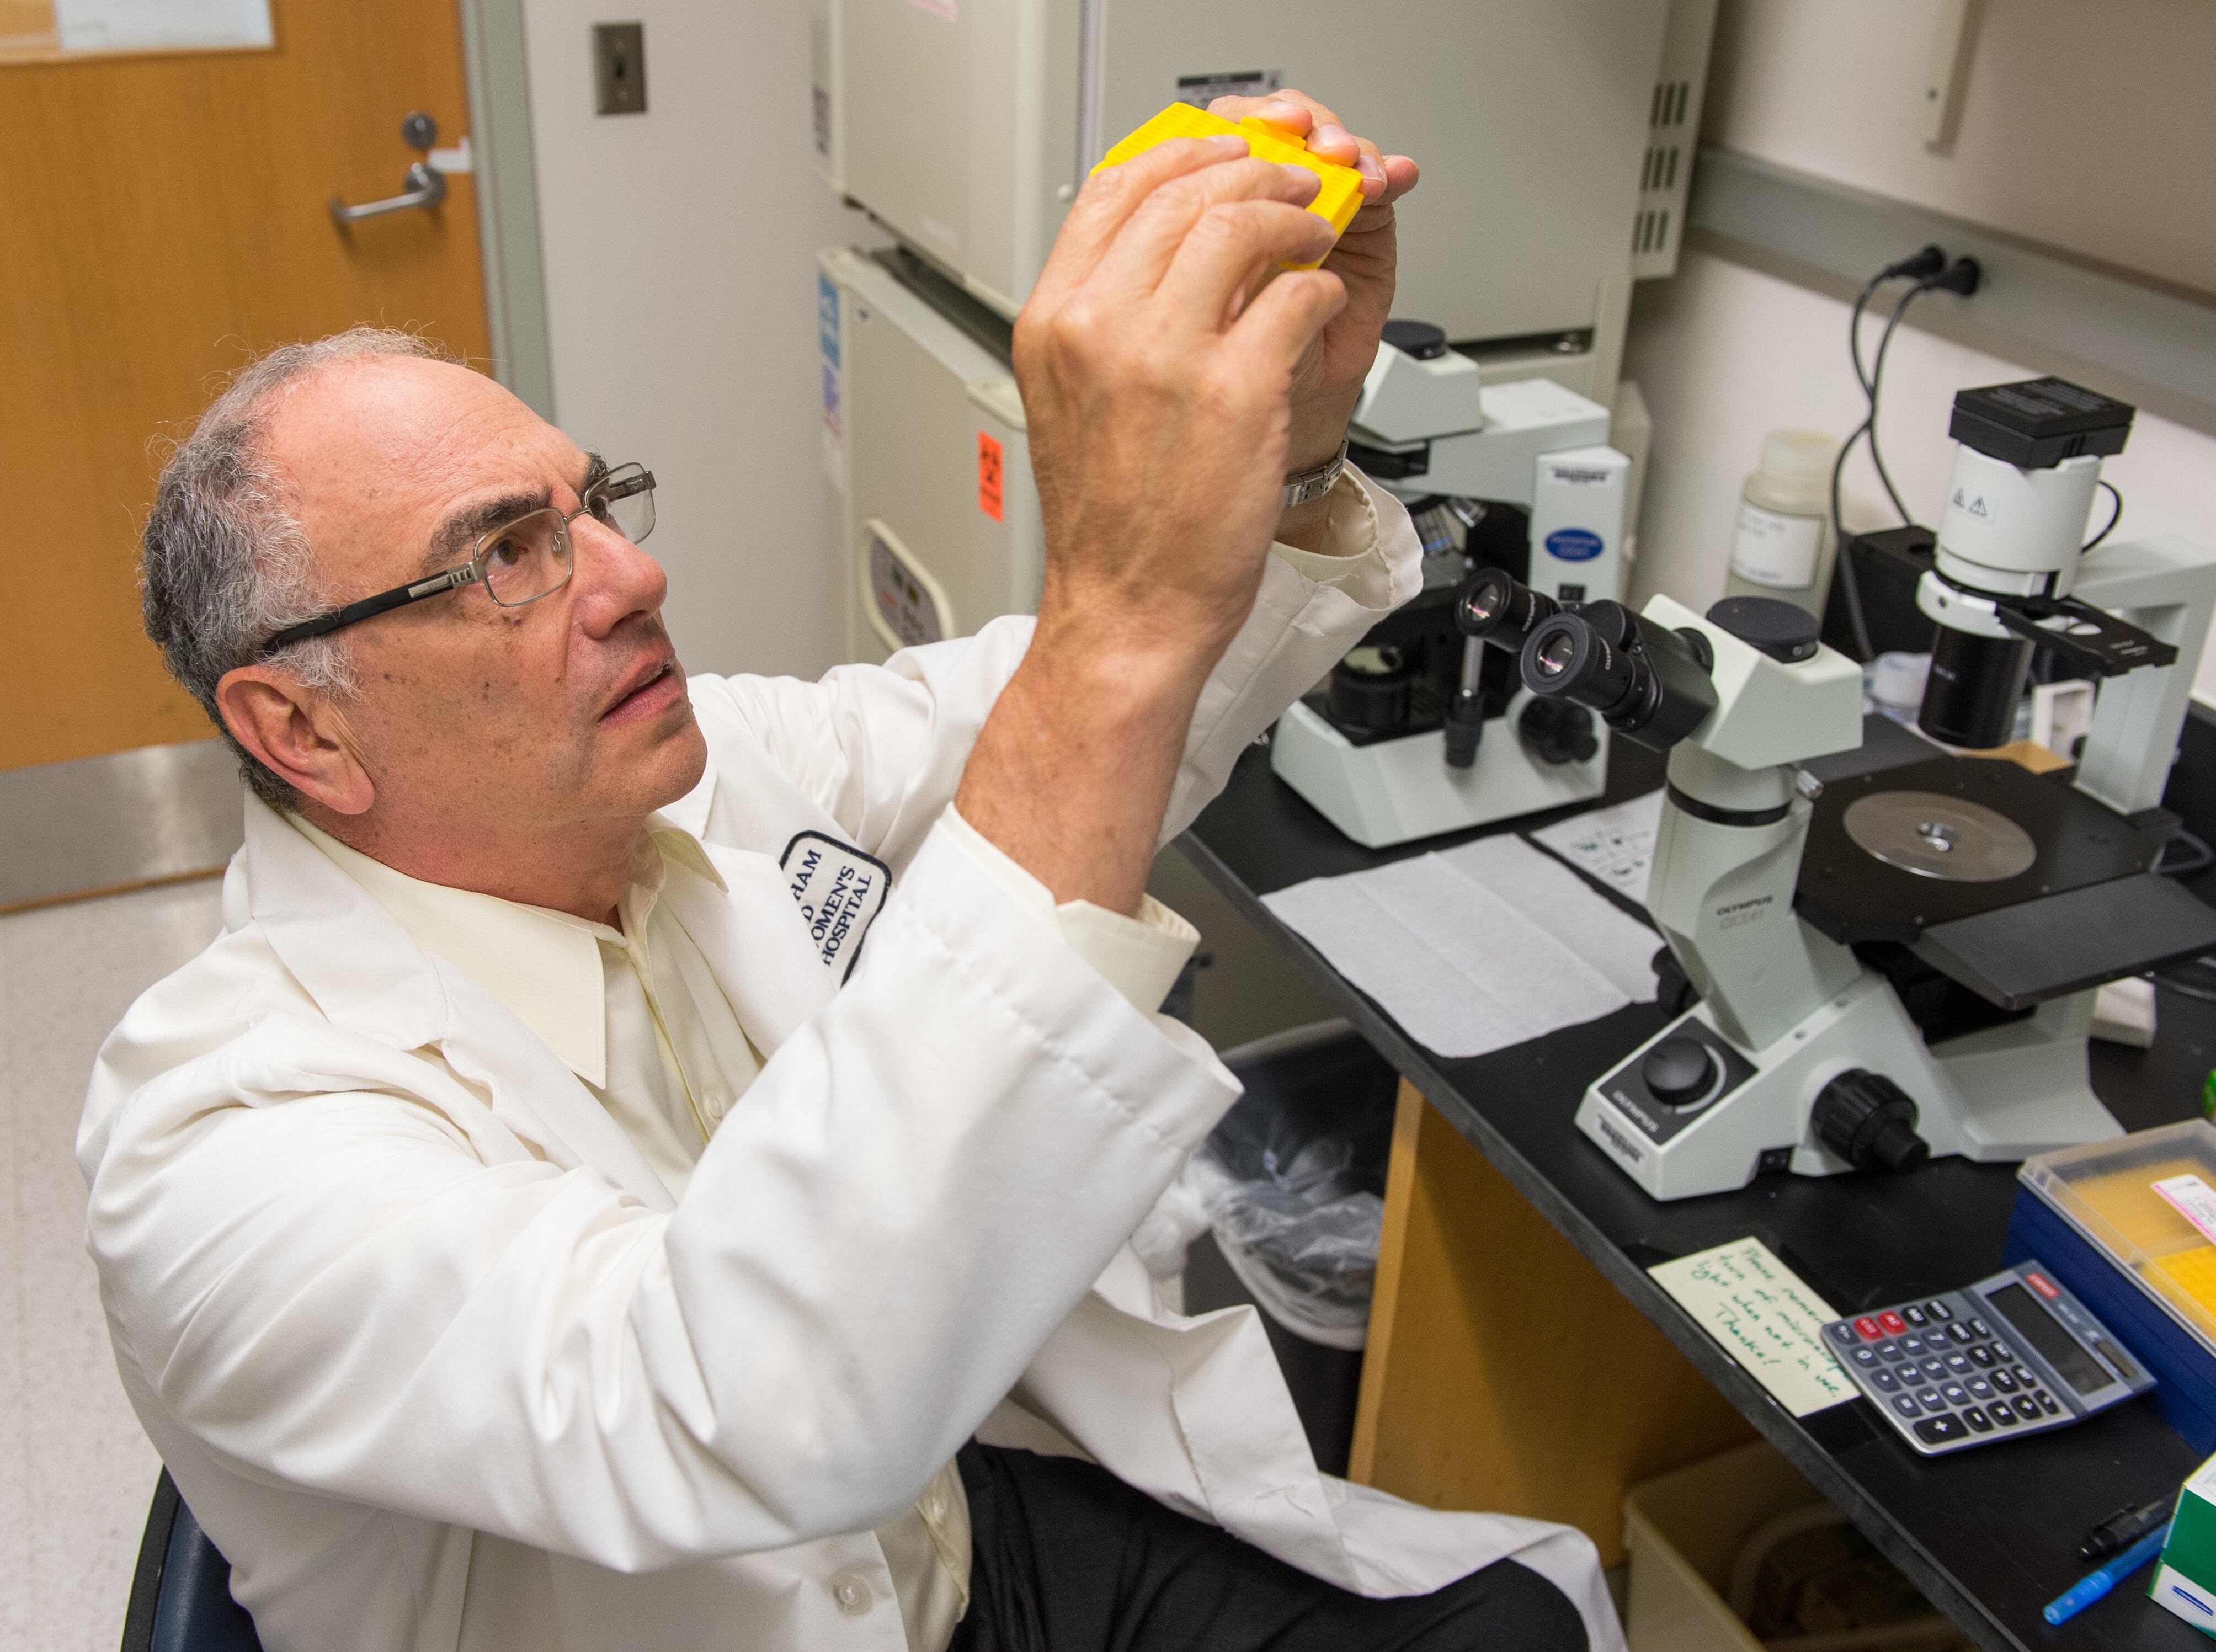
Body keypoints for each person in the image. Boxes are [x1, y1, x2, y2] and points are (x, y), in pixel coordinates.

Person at [83, 93, 1617, 1652]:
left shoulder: (687, 785)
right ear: (299, 725)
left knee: (1507, 1632)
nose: (631, 575)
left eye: (590, 504)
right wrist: (1119, 610)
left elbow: (1054, 721)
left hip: (940, 1541)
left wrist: (1280, 460)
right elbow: (723, 1397)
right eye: (501, 557)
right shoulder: (221, 1153)